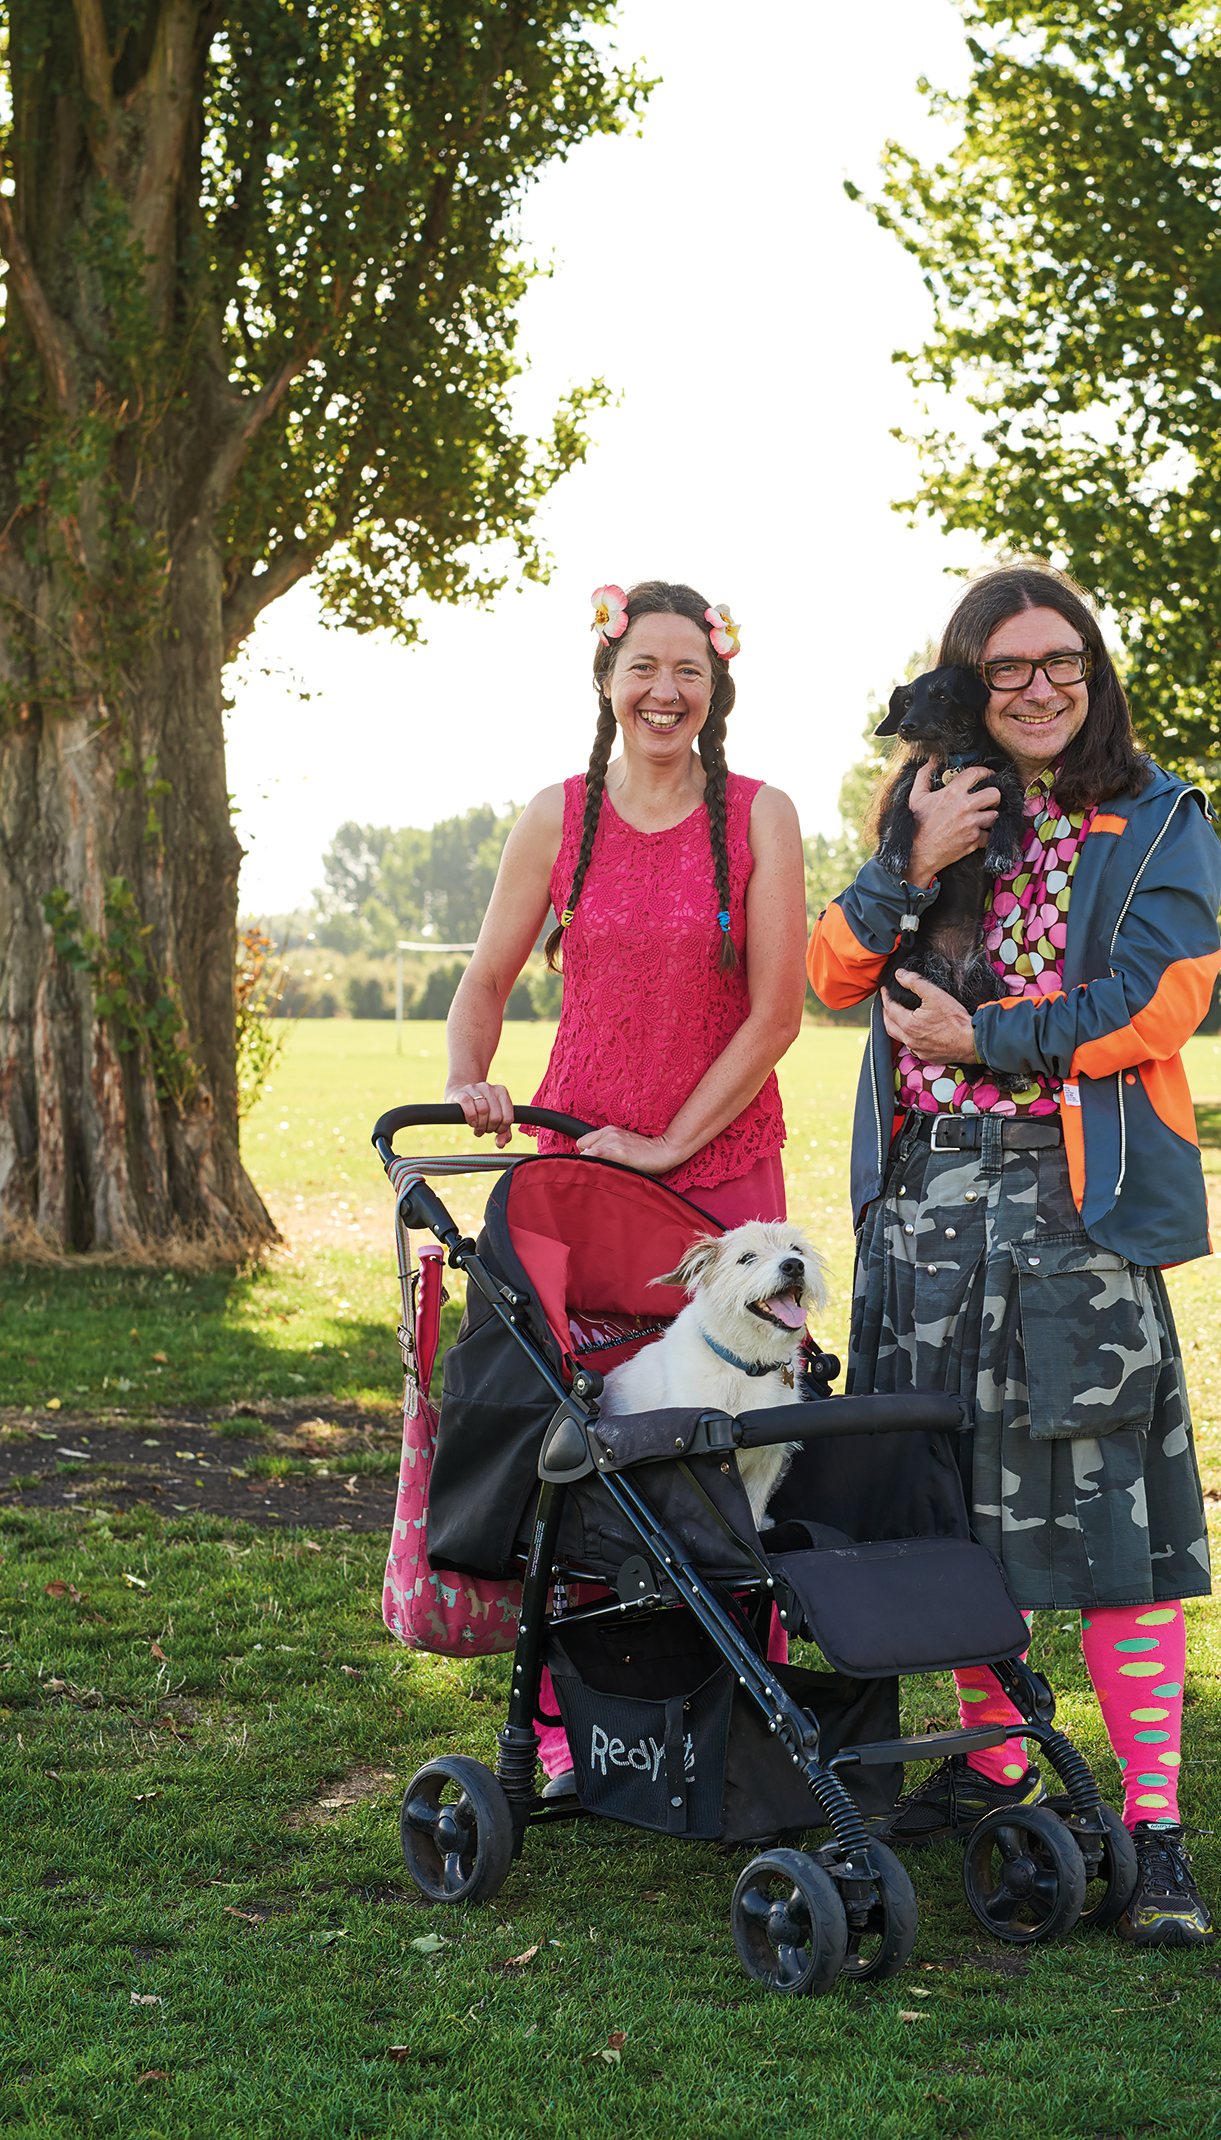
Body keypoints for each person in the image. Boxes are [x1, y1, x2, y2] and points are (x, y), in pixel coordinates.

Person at [807, 562, 1221, 1946]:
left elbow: (1161, 1004)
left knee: (1110, 1539)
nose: (1040, 690)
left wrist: (989, 1041)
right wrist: (908, 864)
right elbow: (830, 977)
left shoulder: (1158, 818)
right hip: (921, 1222)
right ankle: (993, 1771)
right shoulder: (936, 804)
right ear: (972, 683)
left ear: (1095, 676)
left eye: (1064, 665)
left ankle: (1153, 1835)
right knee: (952, 1518)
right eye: (1009, 670)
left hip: (1071, 1224)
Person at [445, 578, 806, 1784]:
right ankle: (567, 1720)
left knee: (737, 1438)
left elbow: (772, 1015)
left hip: (717, 1175)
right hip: (583, 1169)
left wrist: (665, 1144)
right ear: (606, 679)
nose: (664, 690)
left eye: (688, 671)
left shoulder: (758, 816)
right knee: (583, 1436)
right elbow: (487, 980)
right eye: (643, 667)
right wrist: (471, 1076)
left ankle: (732, 1700)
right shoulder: (558, 817)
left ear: (717, 689)